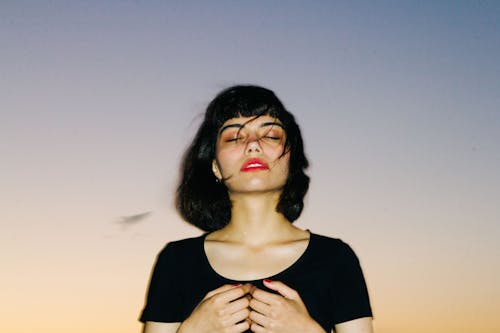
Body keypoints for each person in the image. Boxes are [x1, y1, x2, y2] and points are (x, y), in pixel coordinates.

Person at [140, 85, 373, 333]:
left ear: (291, 159)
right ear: (215, 167)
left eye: (271, 136)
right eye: (233, 137)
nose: (253, 145)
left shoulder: (335, 259)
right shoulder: (177, 262)